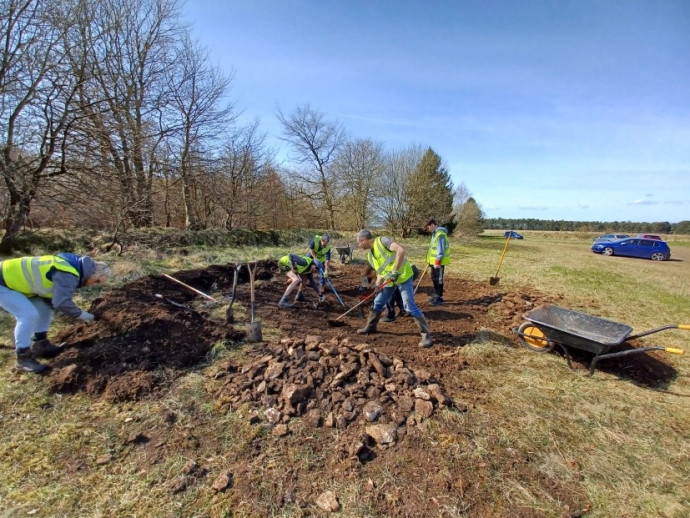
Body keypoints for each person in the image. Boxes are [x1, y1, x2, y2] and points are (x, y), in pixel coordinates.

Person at [0, 253, 111, 373]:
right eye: (97, 281)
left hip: (20, 284)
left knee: (45, 308)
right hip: (3, 282)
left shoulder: (75, 265)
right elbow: (62, 302)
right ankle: (23, 358)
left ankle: (40, 345)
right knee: (28, 315)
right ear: (93, 274)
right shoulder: (69, 274)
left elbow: (50, 289)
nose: (94, 284)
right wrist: (83, 315)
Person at [355, 229, 432, 348]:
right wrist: (377, 286)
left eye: (359, 243)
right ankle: (371, 327)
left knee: (409, 306)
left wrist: (395, 272)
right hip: (389, 280)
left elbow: (401, 250)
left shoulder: (382, 241)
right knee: (378, 301)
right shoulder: (370, 256)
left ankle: (426, 336)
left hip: (403, 276)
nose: (359, 246)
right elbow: (380, 271)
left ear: (364, 240)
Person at [295, 233, 331, 303]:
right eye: (324, 243)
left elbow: (327, 260)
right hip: (311, 256)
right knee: (305, 274)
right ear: (321, 240)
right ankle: (299, 294)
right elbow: (311, 249)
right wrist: (315, 259)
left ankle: (321, 296)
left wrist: (326, 270)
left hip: (321, 261)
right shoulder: (316, 238)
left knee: (323, 277)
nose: (325, 245)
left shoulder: (328, 247)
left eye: (326, 244)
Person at [425, 218, 450, 306]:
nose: (428, 230)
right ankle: (436, 294)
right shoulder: (434, 234)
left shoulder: (440, 234)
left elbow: (441, 250)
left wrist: (437, 262)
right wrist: (430, 261)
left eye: (428, 227)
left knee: (438, 279)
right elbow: (433, 249)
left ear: (432, 225)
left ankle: (439, 297)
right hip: (433, 262)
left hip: (439, 263)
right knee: (433, 277)